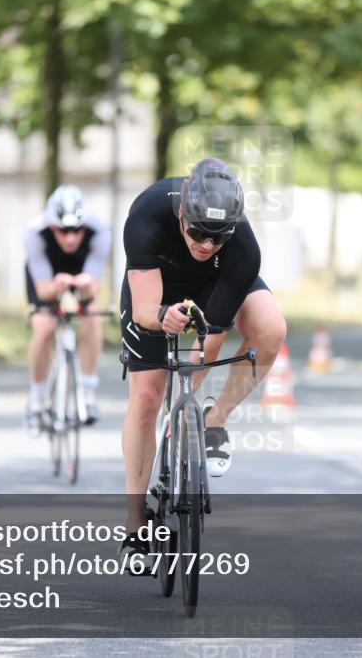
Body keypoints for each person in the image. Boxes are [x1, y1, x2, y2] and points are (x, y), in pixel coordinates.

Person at [117, 158, 287, 565]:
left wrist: (186, 403)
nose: (206, 244)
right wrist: (163, 315)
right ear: (182, 215)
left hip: (216, 284)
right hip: (157, 291)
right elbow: (144, 311)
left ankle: (214, 421)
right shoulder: (147, 215)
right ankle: (135, 525)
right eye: (197, 232)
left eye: (217, 237)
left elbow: (210, 339)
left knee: (271, 328)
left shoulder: (242, 248)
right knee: (146, 398)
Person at [24, 185, 111, 428]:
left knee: (91, 315)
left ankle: (88, 394)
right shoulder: (35, 233)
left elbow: (93, 288)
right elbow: (43, 291)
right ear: (53, 227)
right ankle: (36, 399)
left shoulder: (100, 232)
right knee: (45, 327)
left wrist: (87, 285)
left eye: (76, 230)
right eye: (63, 231)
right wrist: (57, 285)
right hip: (47, 273)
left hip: (81, 268)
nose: (70, 238)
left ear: (85, 226)